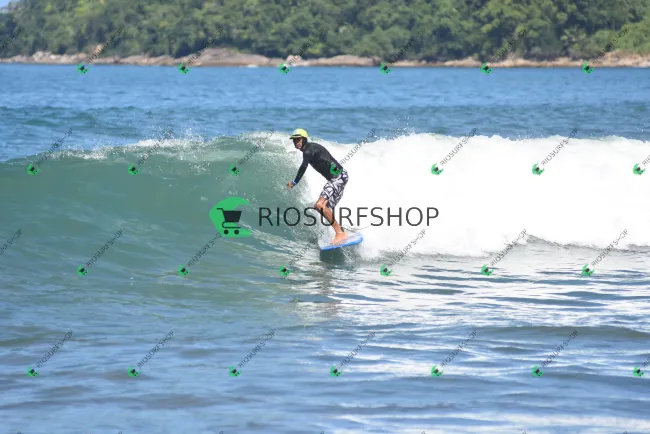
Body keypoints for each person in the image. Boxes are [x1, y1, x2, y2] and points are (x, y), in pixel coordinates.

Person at [286, 128, 349, 245]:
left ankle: (340, 233)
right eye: (294, 140)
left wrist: (294, 182)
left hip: (338, 177)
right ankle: (340, 230)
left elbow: (304, 166)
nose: (296, 142)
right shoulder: (310, 149)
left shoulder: (308, 150)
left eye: (298, 140)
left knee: (319, 205)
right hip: (339, 177)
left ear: (304, 139)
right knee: (323, 208)